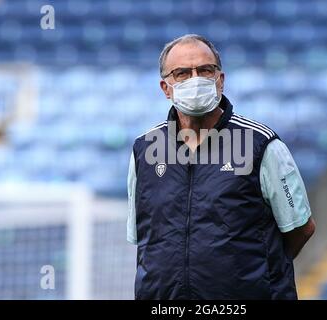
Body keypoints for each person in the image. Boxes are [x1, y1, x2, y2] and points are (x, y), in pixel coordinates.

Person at [127, 34, 315, 299]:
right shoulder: (144, 150)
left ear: (220, 80)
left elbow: (300, 228)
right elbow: (145, 240)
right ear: (165, 88)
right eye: (182, 73)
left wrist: (250, 279)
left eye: (205, 70)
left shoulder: (260, 144)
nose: (195, 79)